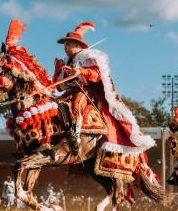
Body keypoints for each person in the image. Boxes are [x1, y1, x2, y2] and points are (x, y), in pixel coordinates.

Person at [53, 21, 155, 156]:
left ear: (77, 45)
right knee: (54, 106)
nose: (65, 47)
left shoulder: (87, 57)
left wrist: (79, 71)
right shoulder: (66, 62)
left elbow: (97, 75)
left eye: (68, 44)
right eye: (64, 45)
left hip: (85, 91)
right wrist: (58, 70)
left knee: (76, 106)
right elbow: (59, 87)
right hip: (69, 92)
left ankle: (75, 137)